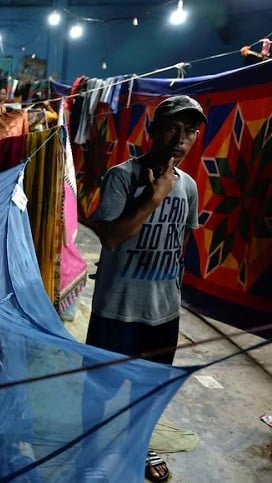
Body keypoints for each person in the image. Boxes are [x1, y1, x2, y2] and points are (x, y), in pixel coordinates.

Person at [84, 95, 206, 482]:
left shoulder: (187, 186)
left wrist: (173, 293)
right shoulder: (123, 176)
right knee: (99, 389)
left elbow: (180, 244)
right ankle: (87, 448)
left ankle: (138, 444)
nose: (181, 138)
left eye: (190, 130)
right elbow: (113, 239)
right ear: (153, 130)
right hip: (117, 308)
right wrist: (152, 199)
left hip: (162, 311)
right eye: (173, 127)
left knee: (148, 389)